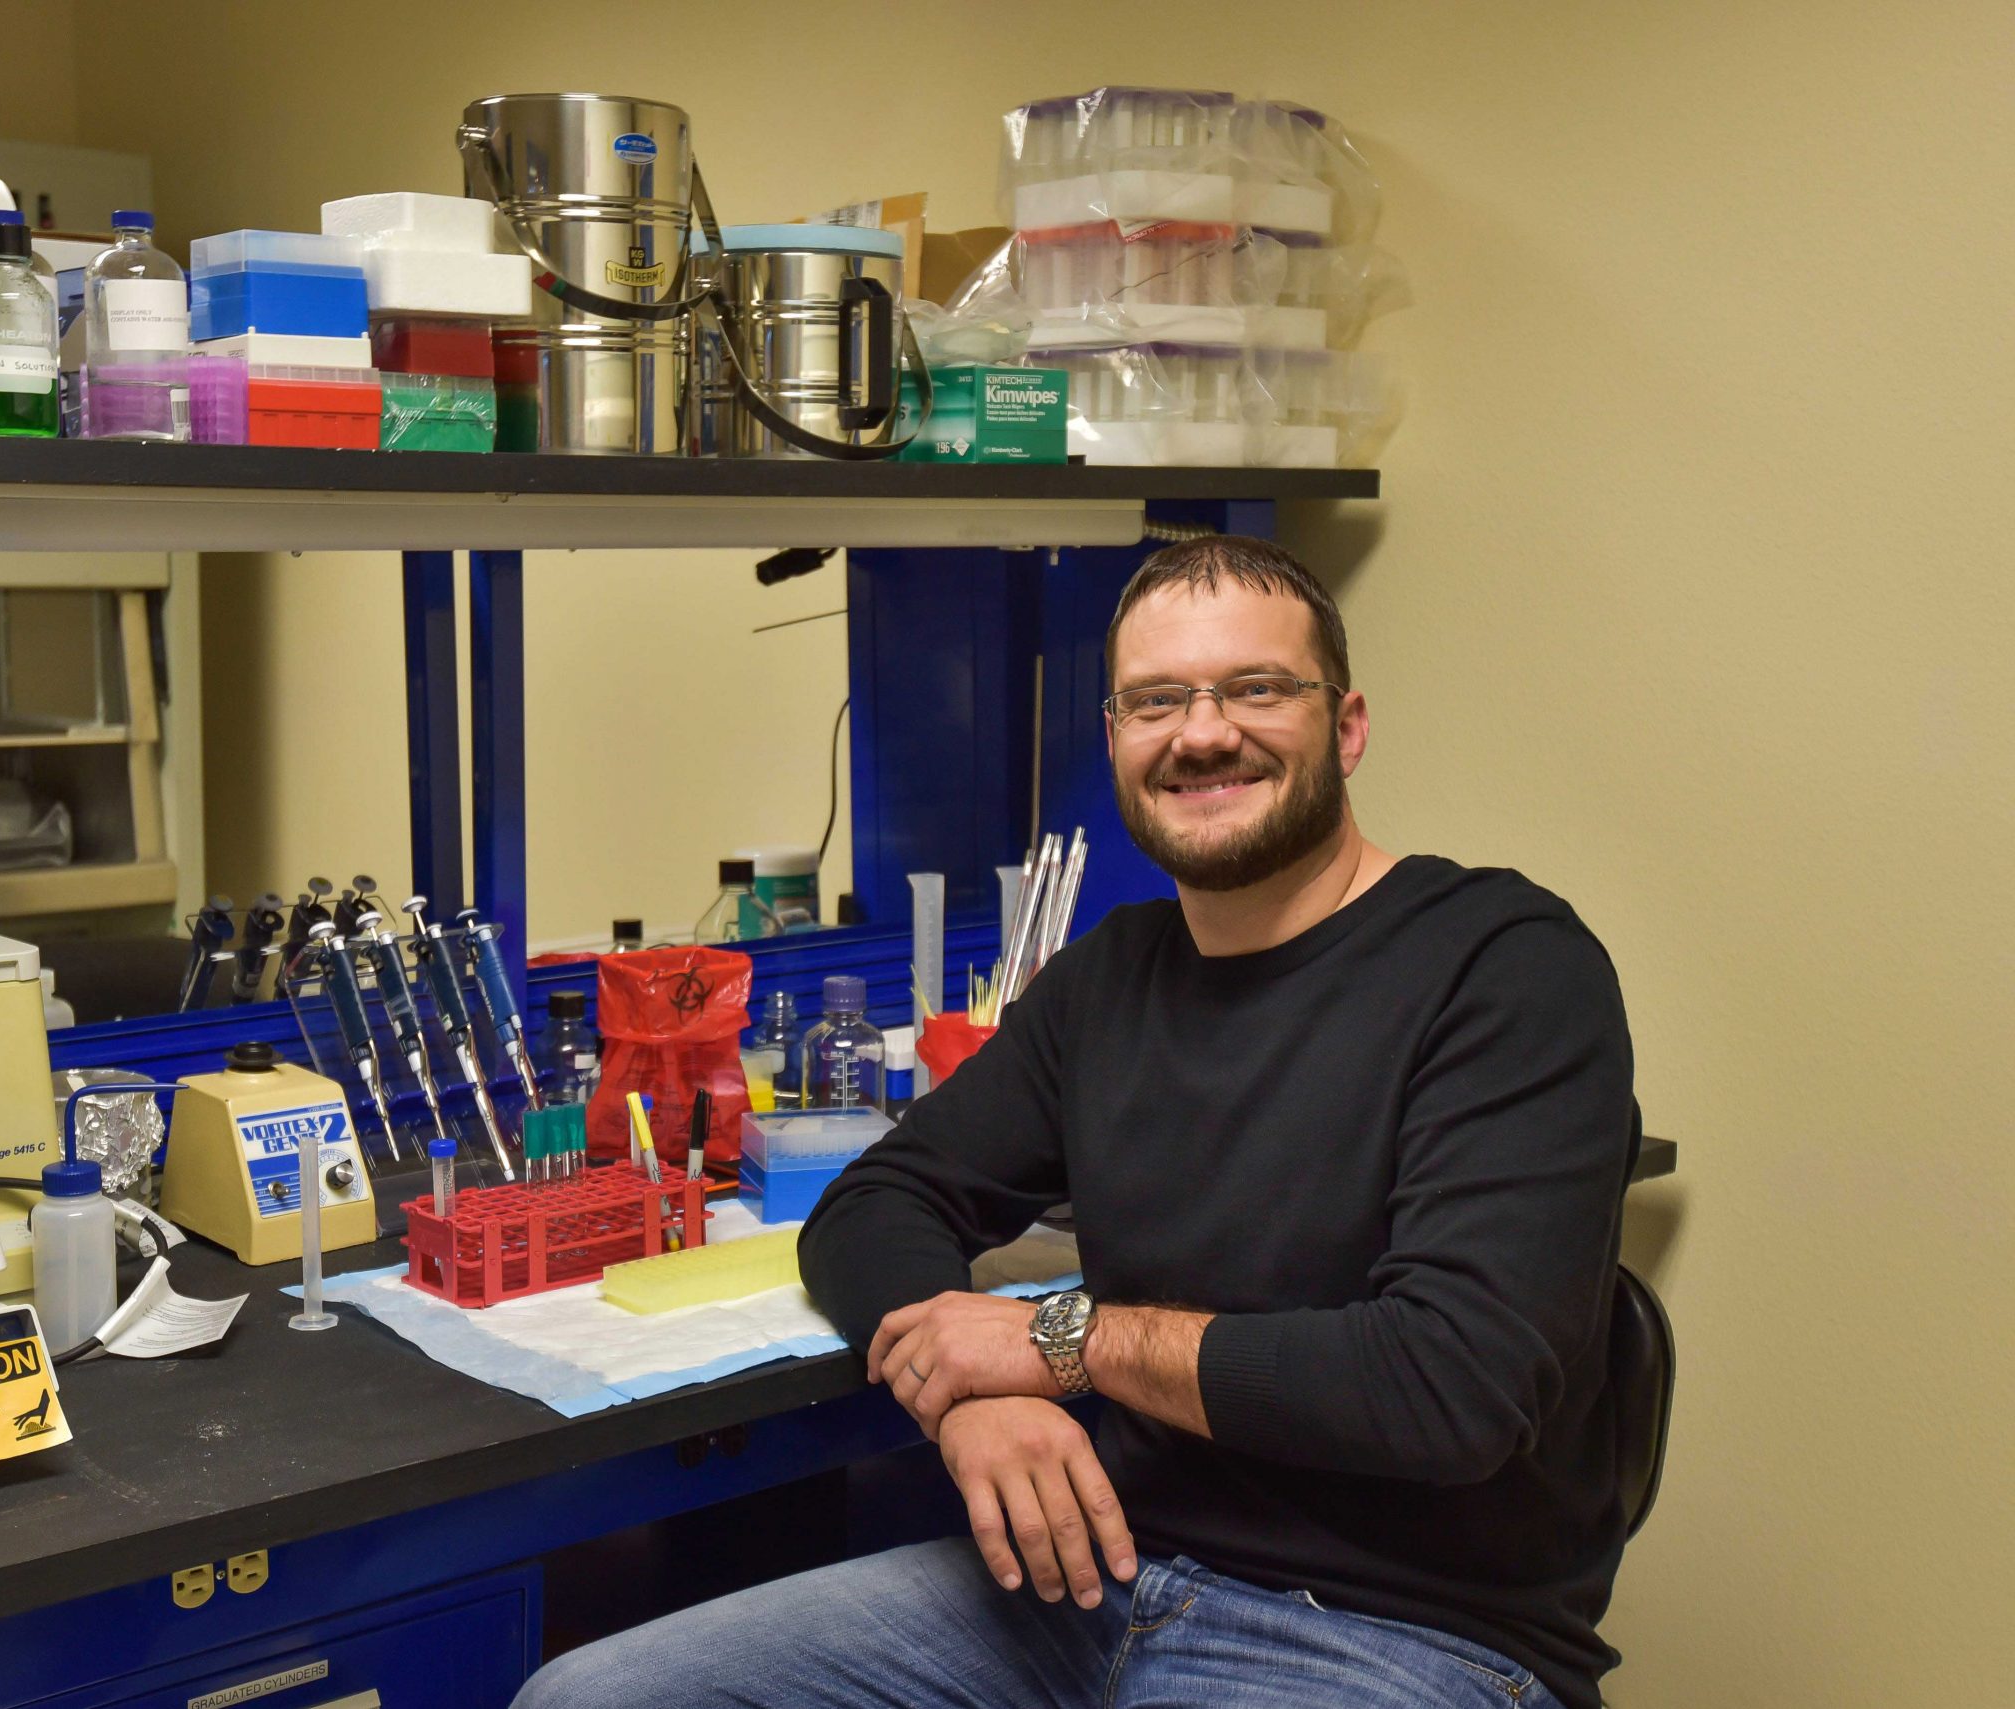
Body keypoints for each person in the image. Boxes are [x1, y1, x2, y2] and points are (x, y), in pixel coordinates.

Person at [513, 537, 1642, 1709]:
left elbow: (1446, 1387)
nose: (1202, 733)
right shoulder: (1111, 980)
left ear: (1346, 726)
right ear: (1114, 740)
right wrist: (976, 1393)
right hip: (1095, 1576)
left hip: (1395, 1634)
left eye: (1256, 687)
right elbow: (878, 1201)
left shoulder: (1503, 967)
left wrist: (1059, 1338)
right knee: (587, 1697)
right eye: (1155, 700)